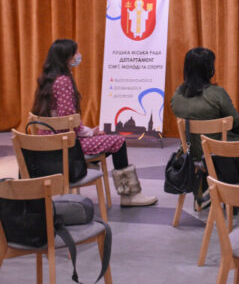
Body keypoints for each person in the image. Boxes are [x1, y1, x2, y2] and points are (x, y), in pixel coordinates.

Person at [32, 39, 157, 207]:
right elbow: (69, 120)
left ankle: (91, 165)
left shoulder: (46, 79)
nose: (78, 56)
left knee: (103, 139)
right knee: (118, 142)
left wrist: (88, 131)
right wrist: (90, 132)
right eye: (75, 53)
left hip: (49, 140)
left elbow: (59, 117)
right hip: (66, 145)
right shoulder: (63, 81)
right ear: (66, 58)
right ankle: (129, 195)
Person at [170, 47, 239, 209]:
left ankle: (205, 190)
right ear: (209, 69)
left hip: (192, 154)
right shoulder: (217, 93)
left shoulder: (176, 96)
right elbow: (238, 127)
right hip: (220, 154)